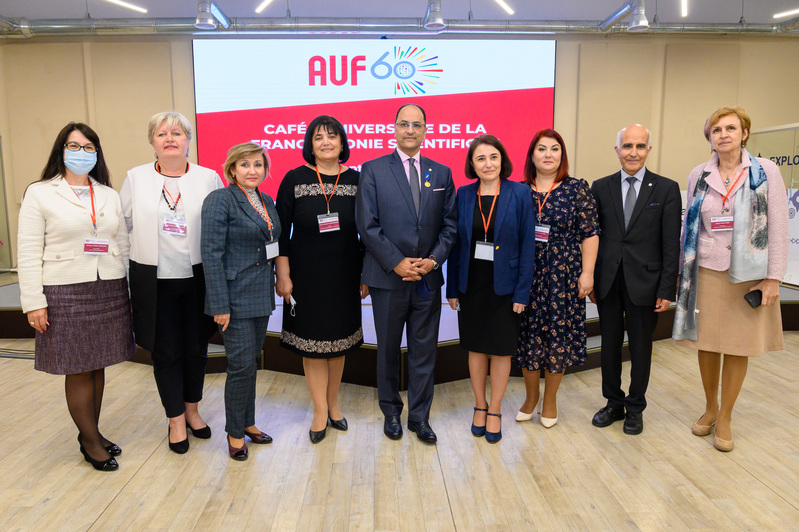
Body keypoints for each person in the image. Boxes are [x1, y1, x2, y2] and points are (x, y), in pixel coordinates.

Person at [17, 122, 136, 471]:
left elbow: (122, 242)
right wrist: (34, 302)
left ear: (97, 153)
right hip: (64, 290)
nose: (81, 153)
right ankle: (89, 441)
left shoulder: (107, 193)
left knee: (98, 364)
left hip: (108, 287)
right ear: (61, 150)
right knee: (79, 367)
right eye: (74, 146)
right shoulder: (41, 192)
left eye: (88, 147)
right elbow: (28, 250)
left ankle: (93, 432)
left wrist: (129, 290)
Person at [673, 106, 788, 452]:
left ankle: (725, 416)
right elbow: (689, 228)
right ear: (709, 137)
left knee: (738, 347)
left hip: (748, 274)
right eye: (716, 130)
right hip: (706, 271)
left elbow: (778, 227)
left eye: (730, 128)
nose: (723, 135)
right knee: (706, 344)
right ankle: (710, 408)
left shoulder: (765, 171)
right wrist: (682, 274)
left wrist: (773, 278)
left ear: (744, 133)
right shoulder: (699, 173)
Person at [120, 111, 223, 454]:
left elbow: (218, 228)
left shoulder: (208, 178)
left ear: (188, 141)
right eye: (162, 133)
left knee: (196, 347)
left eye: (177, 133)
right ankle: (175, 419)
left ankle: (193, 410)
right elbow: (122, 226)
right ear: (152, 141)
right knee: (165, 351)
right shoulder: (136, 177)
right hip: (154, 281)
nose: (169, 139)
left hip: (198, 279)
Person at [356, 103, 457, 443]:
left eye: (416, 124)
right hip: (388, 278)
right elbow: (367, 225)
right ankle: (391, 412)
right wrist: (397, 261)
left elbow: (450, 226)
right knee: (387, 350)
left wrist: (433, 261)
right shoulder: (373, 169)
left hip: (427, 279)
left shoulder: (441, 173)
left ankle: (420, 417)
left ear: (426, 129)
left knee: (424, 351)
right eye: (404, 124)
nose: (410, 130)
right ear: (394, 128)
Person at [275, 115, 368, 444]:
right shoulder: (294, 179)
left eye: (332, 136)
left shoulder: (357, 180)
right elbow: (279, 233)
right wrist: (282, 274)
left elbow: (368, 231)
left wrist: (365, 273)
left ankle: (333, 404)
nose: (326, 142)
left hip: (345, 275)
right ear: (310, 145)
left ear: (343, 143)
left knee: (338, 343)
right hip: (305, 276)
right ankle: (318, 410)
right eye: (318, 137)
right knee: (313, 345)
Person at [589, 124, 682, 435]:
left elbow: (671, 244)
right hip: (608, 281)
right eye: (627, 146)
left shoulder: (666, 189)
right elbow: (593, 237)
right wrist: (592, 278)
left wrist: (667, 287)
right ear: (617, 150)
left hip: (647, 283)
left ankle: (635, 407)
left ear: (648, 150)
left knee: (641, 348)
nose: (633, 152)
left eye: (640, 146)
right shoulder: (600, 187)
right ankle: (613, 403)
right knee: (609, 346)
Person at [446, 135, 535, 443]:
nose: (488, 164)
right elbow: (456, 244)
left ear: (502, 160)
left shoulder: (519, 193)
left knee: (500, 349)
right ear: (472, 164)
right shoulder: (463, 194)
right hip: (471, 284)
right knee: (475, 347)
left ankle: (495, 409)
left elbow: (528, 245)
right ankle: (480, 405)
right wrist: (452, 288)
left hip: (506, 287)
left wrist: (522, 292)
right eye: (480, 158)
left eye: (493, 157)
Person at [514, 129, 600, 428]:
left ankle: (550, 399)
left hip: (563, 274)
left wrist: (587, 273)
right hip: (526, 274)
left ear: (561, 155)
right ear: (532, 155)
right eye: (541, 149)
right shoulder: (519, 191)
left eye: (554, 149)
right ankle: (531, 397)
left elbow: (590, 233)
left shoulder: (577, 189)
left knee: (557, 339)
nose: (548, 154)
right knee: (528, 337)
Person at [202, 142, 281, 460]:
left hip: (260, 294)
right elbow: (211, 253)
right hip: (233, 298)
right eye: (245, 164)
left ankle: (248, 422)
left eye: (258, 165)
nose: (252, 170)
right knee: (240, 366)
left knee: (249, 364)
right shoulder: (220, 199)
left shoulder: (267, 200)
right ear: (232, 169)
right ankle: (235, 433)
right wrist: (219, 305)